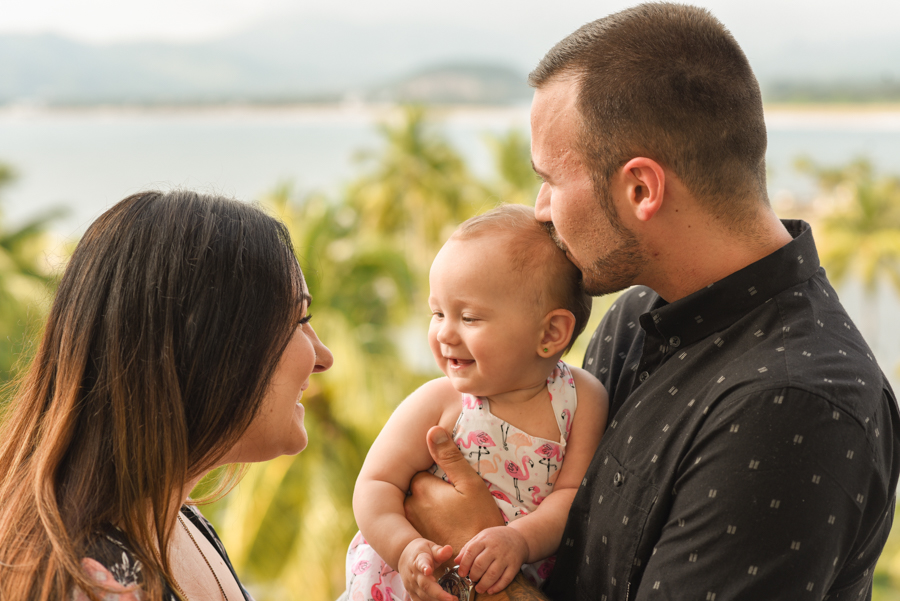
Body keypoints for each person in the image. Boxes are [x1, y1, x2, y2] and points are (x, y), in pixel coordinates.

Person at [402, 3, 900, 600]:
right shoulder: (636, 319)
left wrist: (471, 547)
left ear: (641, 188)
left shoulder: (792, 405)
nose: (539, 209)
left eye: (552, 180)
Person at [0, 190, 333, 601]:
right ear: (211, 344)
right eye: (300, 320)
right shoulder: (92, 582)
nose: (323, 357)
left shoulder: (178, 520)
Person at [345, 204, 608, 601]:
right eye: (437, 313)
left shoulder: (582, 399)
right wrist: (404, 549)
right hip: (409, 582)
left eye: (468, 318)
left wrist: (518, 539)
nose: (444, 334)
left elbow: (571, 497)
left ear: (551, 332)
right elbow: (375, 484)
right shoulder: (442, 401)